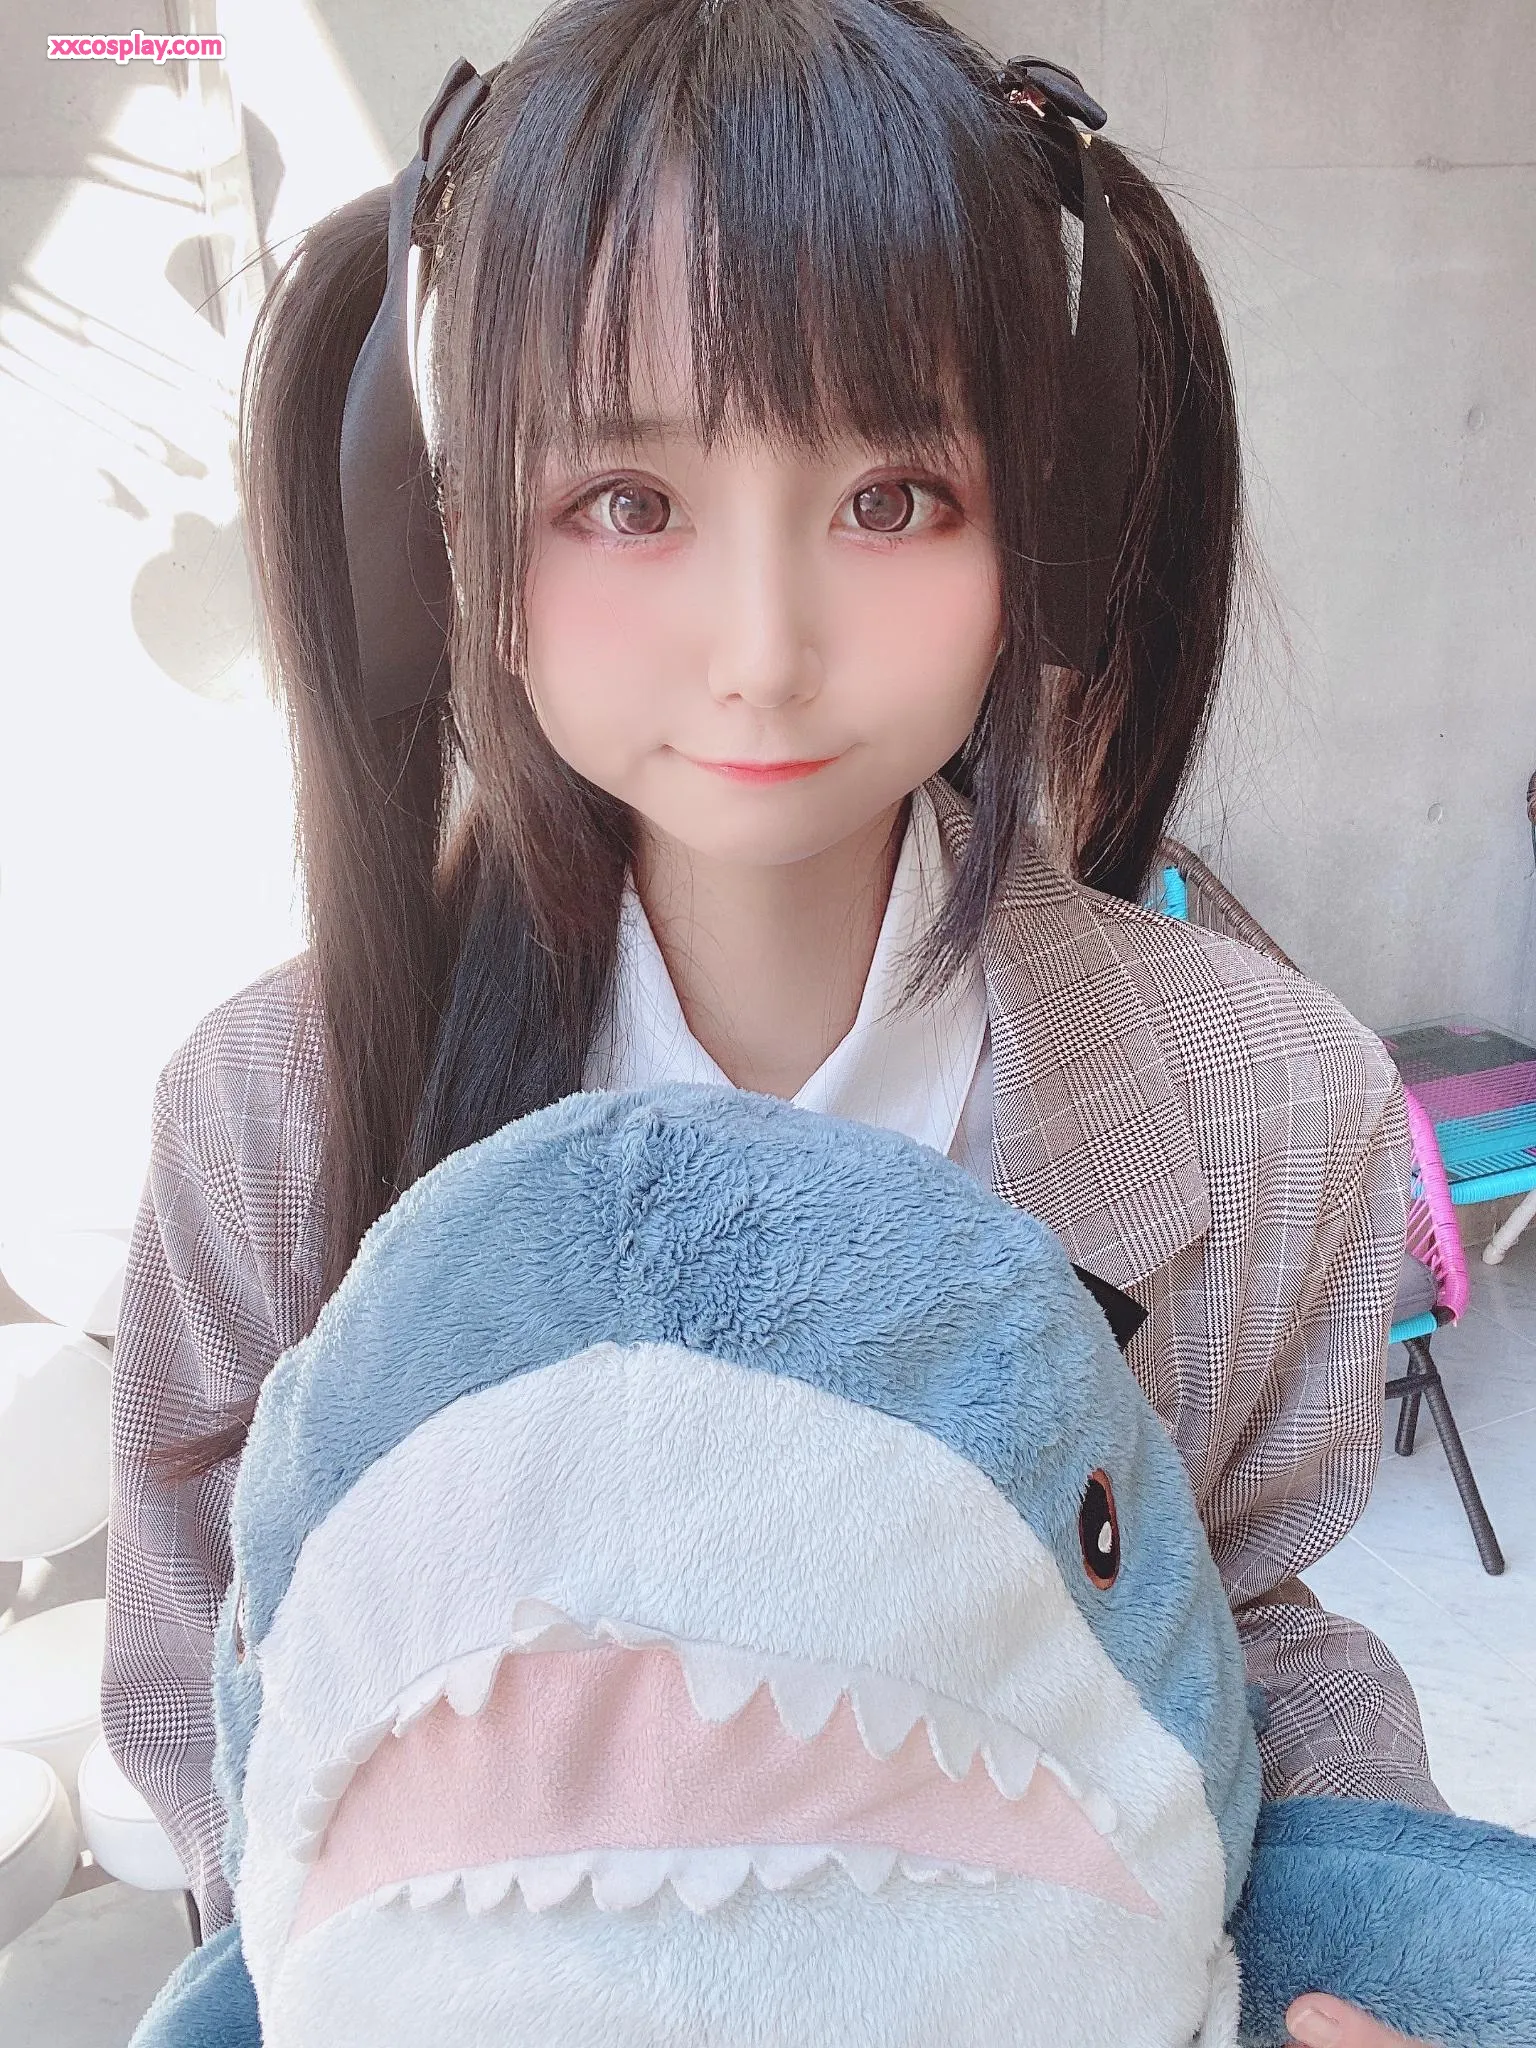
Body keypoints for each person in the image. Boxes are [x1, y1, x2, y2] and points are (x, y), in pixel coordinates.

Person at [103, 3, 1444, 2041]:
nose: (763, 650)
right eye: (625, 500)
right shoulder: (271, 1117)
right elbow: (209, 1688)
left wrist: (1373, 1958)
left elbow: (1252, 1632)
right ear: (450, 534)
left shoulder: (1266, 1103)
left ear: (1048, 517)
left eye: (892, 496)